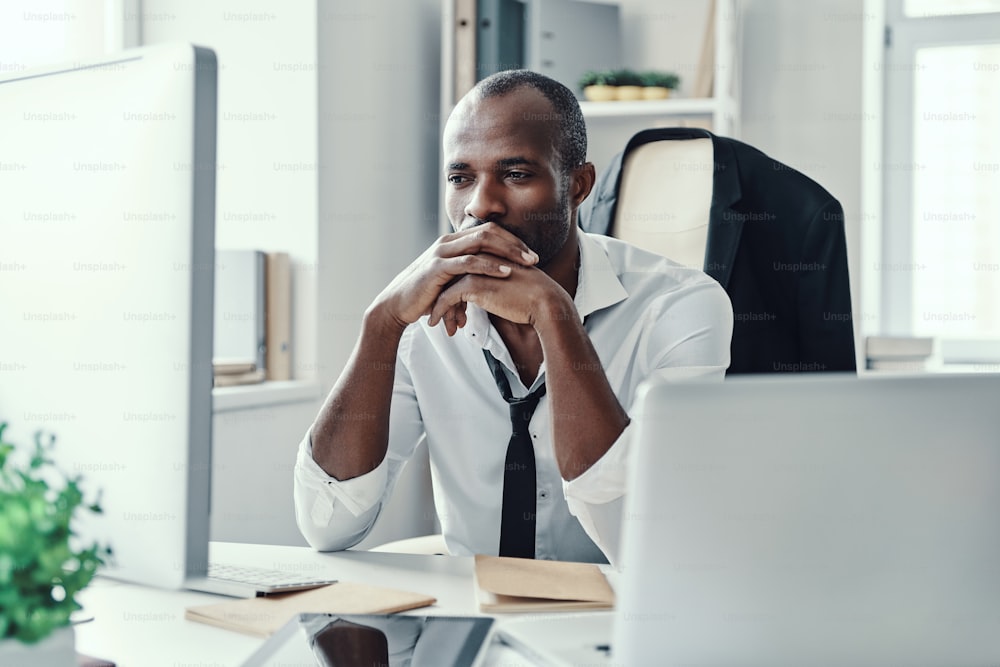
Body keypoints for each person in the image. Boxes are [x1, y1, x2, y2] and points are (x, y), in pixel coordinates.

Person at [293, 70, 733, 565]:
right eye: (460, 178)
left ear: (579, 185)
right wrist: (381, 326)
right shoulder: (421, 316)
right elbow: (326, 525)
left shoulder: (679, 305)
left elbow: (645, 544)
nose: (481, 206)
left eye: (517, 174)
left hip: (617, 620)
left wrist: (555, 316)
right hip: (471, 614)